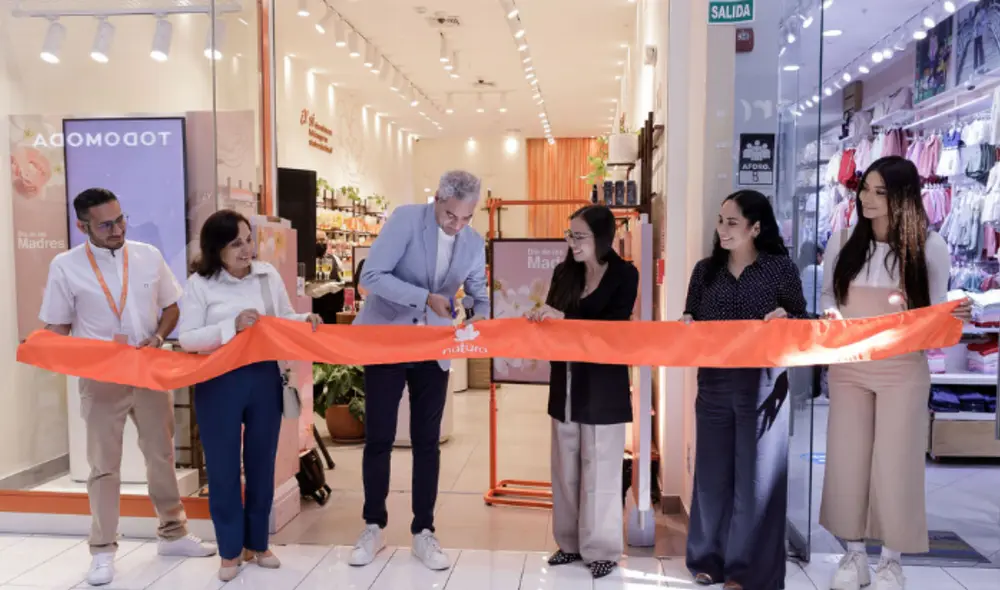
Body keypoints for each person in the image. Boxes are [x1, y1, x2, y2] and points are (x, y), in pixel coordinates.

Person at [38, 188, 216, 586]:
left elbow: (172, 306)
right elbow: (57, 327)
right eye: (106, 224)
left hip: (148, 368)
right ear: (82, 226)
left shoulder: (148, 255)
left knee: (162, 455)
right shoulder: (65, 266)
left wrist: (158, 335)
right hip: (101, 377)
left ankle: (173, 533)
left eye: (121, 219)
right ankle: (102, 550)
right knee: (104, 466)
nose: (117, 229)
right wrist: (50, 346)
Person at [819, 157, 972, 590]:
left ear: (903, 197)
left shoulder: (929, 246)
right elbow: (830, 295)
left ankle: (891, 560)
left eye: (879, 191)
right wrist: (832, 313)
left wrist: (955, 313)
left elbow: (937, 314)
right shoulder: (844, 240)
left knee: (896, 461)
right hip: (849, 365)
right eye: (864, 189)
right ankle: (853, 555)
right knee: (847, 459)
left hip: (904, 368)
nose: (867, 198)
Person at [348, 170, 489, 571]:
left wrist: (478, 311)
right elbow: (371, 277)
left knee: (428, 441)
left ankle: (423, 531)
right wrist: (426, 299)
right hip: (387, 338)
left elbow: (478, 291)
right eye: (450, 216)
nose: (457, 225)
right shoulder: (407, 219)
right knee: (379, 436)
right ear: (438, 200)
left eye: (466, 218)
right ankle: (373, 525)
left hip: (434, 346)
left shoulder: (473, 242)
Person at [177, 209, 322, 582]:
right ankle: (229, 550)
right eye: (236, 243)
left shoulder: (266, 275)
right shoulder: (200, 284)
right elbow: (188, 338)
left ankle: (258, 543)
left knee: (261, 464)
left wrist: (304, 322)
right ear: (216, 249)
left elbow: (283, 317)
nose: (246, 249)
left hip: (263, 378)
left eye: (248, 240)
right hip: (218, 380)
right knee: (223, 468)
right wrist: (231, 326)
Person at [682, 190, 807, 590]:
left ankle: (747, 570)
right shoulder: (705, 271)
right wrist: (686, 322)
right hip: (714, 382)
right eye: (720, 221)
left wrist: (785, 317)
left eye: (732, 222)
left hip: (764, 385)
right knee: (712, 477)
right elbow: (692, 316)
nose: (722, 229)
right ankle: (708, 559)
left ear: (756, 227)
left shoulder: (780, 269)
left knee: (756, 480)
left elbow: (801, 320)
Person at [526, 205, 639, 579]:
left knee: (601, 468)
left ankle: (603, 548)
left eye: (580, 236)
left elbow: (614, 328)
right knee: (565, 467)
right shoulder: (564, 273)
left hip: (604, 386)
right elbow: (555, 320)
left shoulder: (625, 275)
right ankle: (569, 543)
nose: (571, 243)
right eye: (569, 235)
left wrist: (565, 321)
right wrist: (541, 318)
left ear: (602, 239)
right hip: (566, 383)